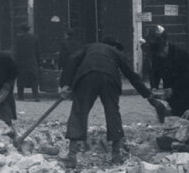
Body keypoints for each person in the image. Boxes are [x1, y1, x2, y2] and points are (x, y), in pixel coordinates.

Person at [60, 35, 168, 166]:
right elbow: (132, 77)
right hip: (109, 78)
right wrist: (150, 97)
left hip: (87, 77)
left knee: (79, 112)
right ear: (115, 46)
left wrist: (65, 84)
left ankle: (72, 156)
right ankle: (116, 155)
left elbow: (72, 59)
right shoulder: (116, 52)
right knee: (113, 114)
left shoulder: (89, 47)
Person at [143, 24, 189, 119]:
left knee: (184, 119)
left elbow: (188, 77)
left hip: (184, 93)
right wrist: (154, 88)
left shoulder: (181, 54)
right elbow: (154, 73)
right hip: (169, 93)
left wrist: (173, 89)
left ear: (163, 42)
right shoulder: (155, 55)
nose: (159, 54)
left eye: (161, 51)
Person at [13, 25, 41, 101]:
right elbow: (38, 52)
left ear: (22, 30)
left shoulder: (18, 39)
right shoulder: (34, 38)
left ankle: (20, 96)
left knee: (21, 80)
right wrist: (38, 62)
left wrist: (16, 62)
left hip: (22, 62)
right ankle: (36, 96)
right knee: (34, 80)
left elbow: (16, 52)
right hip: (32, 62)